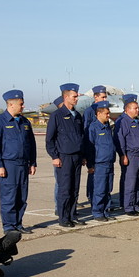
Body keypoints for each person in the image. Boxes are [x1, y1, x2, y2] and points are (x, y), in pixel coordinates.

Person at [0, 89, 36, 234]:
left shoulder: (24, 122)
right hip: (8, 165)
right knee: (9, 196)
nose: (23, 107)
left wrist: (32, 163)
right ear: (11, 104)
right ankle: (9, 226)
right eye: (21, 104)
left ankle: (18, 223)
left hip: (23, 164)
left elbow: (31, 144)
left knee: (22, 196)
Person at [46, 83, 87, 228]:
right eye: (74, 96)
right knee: (65, 189)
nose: (76, 99)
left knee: (74, 188)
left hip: (77, 157)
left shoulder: (77, 116)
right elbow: (50, 139)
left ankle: (72, 215)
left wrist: (83, 155)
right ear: (65, 97)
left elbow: (81, 136)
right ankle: (63, 218)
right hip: (64, 157)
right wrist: (54, 156)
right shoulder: (57, 116)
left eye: (77, 96)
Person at [116, 94, 139, 216]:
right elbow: (120, 140)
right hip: (130, 156)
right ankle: (128, 207)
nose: (137, 110)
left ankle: (136, 204)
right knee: (130, 182)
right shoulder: (123, 121)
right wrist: (122, 155)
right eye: (135, 108)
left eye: (137, 108)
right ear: (127, 109)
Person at [87, 100, 117, 221]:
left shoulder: (107, 127)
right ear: (99, 113)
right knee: (99, 189)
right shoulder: (93, 128)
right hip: (99, 163)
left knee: (108, 188)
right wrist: (90, 164)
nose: (108, 115)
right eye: (106, 113)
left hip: (109, 162)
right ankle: (98, 212)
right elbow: (89, 147)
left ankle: (106, 210)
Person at [84, 85, 109, 205]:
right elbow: (86, 131)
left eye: (105, 97)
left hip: (102, 149)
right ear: (95, 97)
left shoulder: (105, 111)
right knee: (93, 173)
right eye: (102, 97)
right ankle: (91, 196)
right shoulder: (90, 111)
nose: (105, 99)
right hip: (93, 148)